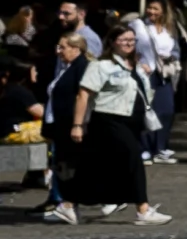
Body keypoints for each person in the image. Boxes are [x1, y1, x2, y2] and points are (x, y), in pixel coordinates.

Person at [51, 22, 163, 225]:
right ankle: (143, 210)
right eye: (124, 40)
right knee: (134, 159)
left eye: (132, 40)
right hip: (108, 119)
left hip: (131, 121)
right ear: (112, 42)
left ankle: (68, 204)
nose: (129, 44)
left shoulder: (135, 66)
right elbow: (84, 94)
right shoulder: (102, 66)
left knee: (98, 165)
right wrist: (78, 125)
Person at [38, 0, 88, 218]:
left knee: (69, 165)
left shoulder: (80, 67)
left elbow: (82, 96)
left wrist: (77, 124)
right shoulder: (66, 68)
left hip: (69, 123)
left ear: (76, 49)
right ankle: (64, 203)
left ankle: (69, 204)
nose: (59, 51)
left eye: (63, 47)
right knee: (60, 164)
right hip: (58, 123)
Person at [134, 0, 183, 162]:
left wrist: (169, 57)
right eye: (149, 8)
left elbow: (177, 50)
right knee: (147, 110)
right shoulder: (139, 26)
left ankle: (160, 147)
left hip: (164, 74)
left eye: (155, 9)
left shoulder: (170, 29)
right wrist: (137, 61)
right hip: (145, 73)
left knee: (167, 110)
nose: (151, 12)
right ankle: (144, 148)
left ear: (163, 11)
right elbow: (126, 45)